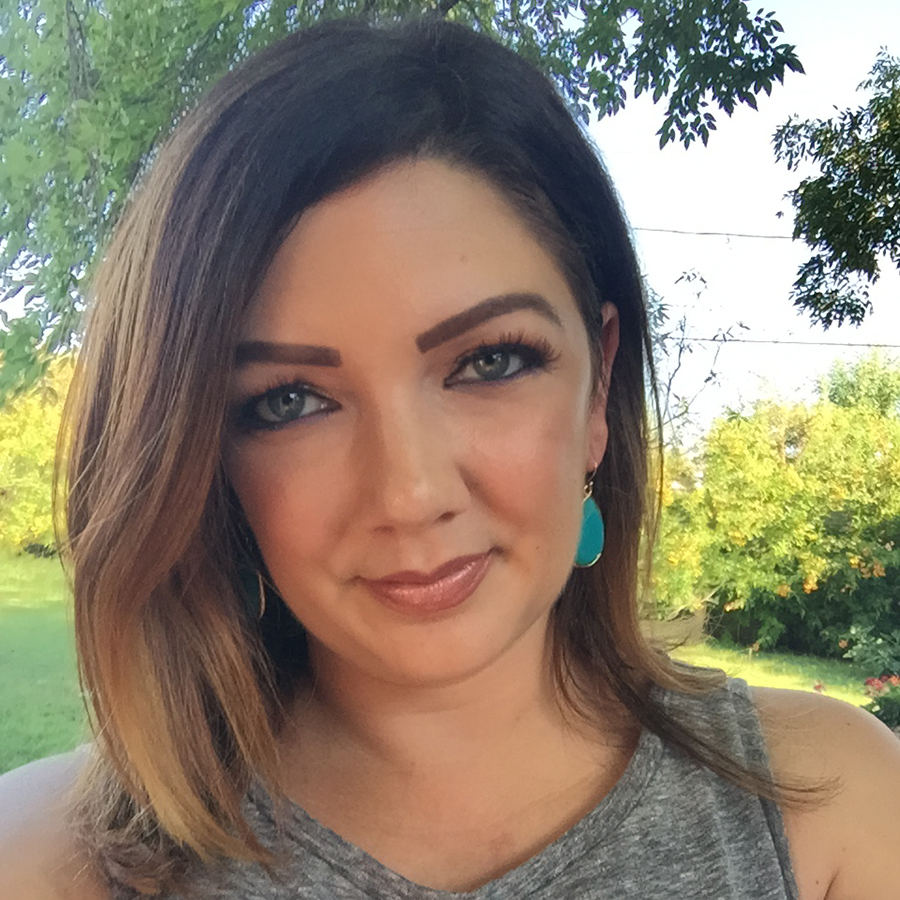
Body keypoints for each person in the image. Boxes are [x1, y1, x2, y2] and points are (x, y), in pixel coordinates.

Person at [1, 16, 898, 900]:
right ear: (206, 456)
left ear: (598, 388)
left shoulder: (834, 809)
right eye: (289, 401)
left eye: (490, 362)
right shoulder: (49, 865)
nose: (410, 492)